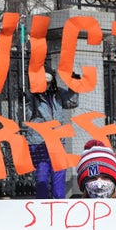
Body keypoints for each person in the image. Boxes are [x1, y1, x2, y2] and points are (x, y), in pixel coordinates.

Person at [25, 69, 79, 199]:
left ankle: (59, 202)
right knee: (42, 175)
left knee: (59, 172)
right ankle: (42, 204)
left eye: (48, 82)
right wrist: (25, 101)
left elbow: (72, 102)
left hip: (57, 140)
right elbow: (26, 116)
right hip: (39, 141)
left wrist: (74, 85)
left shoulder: (57, 94)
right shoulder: (31, 95)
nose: (46, 85)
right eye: (44, 82)